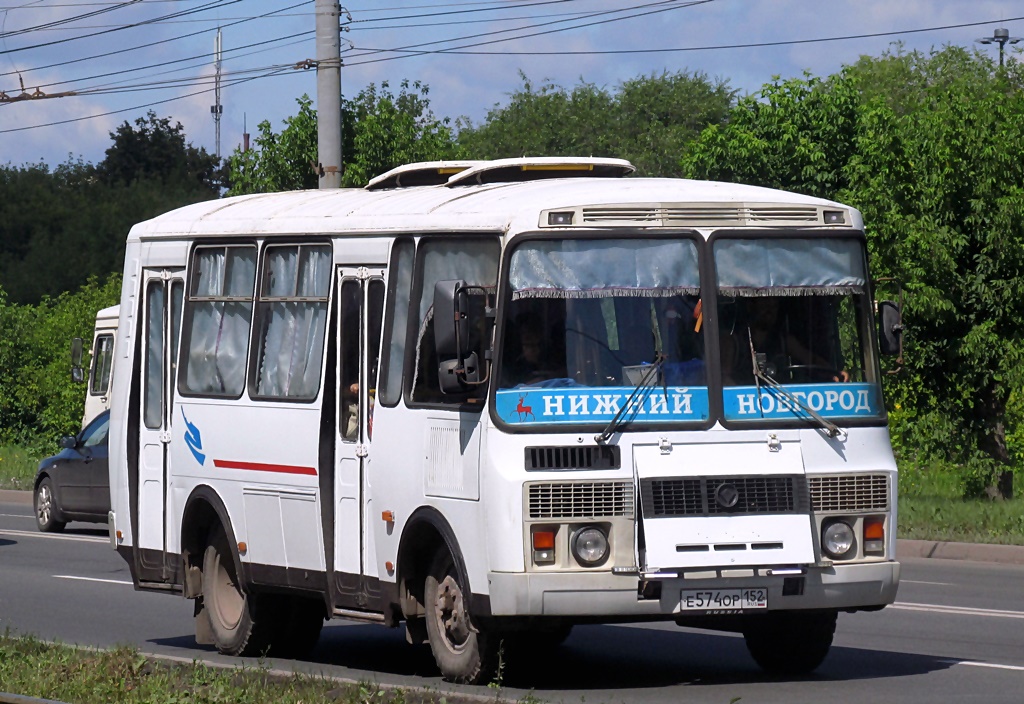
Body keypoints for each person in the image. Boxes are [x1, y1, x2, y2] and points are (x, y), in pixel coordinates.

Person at [722, 296, 849, 385]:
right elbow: (724, 379)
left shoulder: (783, 340)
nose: (770, 311)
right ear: (750, 307)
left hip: (784, 403)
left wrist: (833, 372)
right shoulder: (733, 342)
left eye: (774, 307)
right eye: (765, 306)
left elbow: (810, 360)